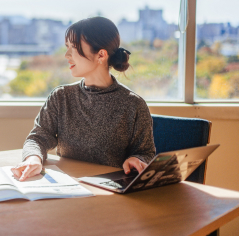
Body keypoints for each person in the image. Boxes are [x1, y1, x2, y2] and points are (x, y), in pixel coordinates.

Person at [11, 16, 155, 182]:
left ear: (101, 55)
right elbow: (38, 138)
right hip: (67, 188)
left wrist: (137, 160)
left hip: (110, 194)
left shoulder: (134, 105)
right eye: (67, 47)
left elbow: (145, 153)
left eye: (74, 48)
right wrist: (33, 158)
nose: (67, 55)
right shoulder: (61, 97)